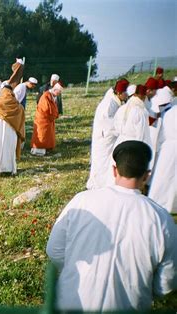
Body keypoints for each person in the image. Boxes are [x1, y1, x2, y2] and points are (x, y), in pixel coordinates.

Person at [46, 141, 177, 311]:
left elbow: (54, 249)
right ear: (147, 175)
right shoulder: (161, 218)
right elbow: (167, 279)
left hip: (72, 304)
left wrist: (75, 270)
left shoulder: (81, 200)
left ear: (115, 170)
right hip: (128, 308)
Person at [86, 79, 129, 189]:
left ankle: (103, 183)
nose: (127, 95)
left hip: (108, 137)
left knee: (106, 163)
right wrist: (122, 130)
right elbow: (109, 123)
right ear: (119, 93)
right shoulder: (110, 104)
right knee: (101, 162)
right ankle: (97, 186)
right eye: (125, 92)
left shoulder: (114, 101)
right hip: (104, 138)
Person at [0, 81, 25, 176]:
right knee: (9, 148)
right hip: (11, 130)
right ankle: (9, 168)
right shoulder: (17, 105)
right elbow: (21, 117)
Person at [148, 91, 176, 214]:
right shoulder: (170, 111)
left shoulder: (169, 112)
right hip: (171, 147)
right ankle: (170, 203)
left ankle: (159, 199)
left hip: (167, 148)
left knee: (164, 176)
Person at [113, 84, 151, 149]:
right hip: (133, 146)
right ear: (144, 97)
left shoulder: (122, 108)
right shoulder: (141, 111)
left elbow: (115, 125)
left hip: (120, 143)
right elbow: (141, 134)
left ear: (135, 94)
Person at [30, 82, 63, 156]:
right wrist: (53, 115)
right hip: (43, 120)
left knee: (48, 135)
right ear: (55, 90)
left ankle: (48, 148)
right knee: (42, 135)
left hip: (48, 120)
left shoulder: (51, 95)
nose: (59, 94)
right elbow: (46, 109)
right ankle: (39, 149)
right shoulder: (46, 96)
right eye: (59, 92)